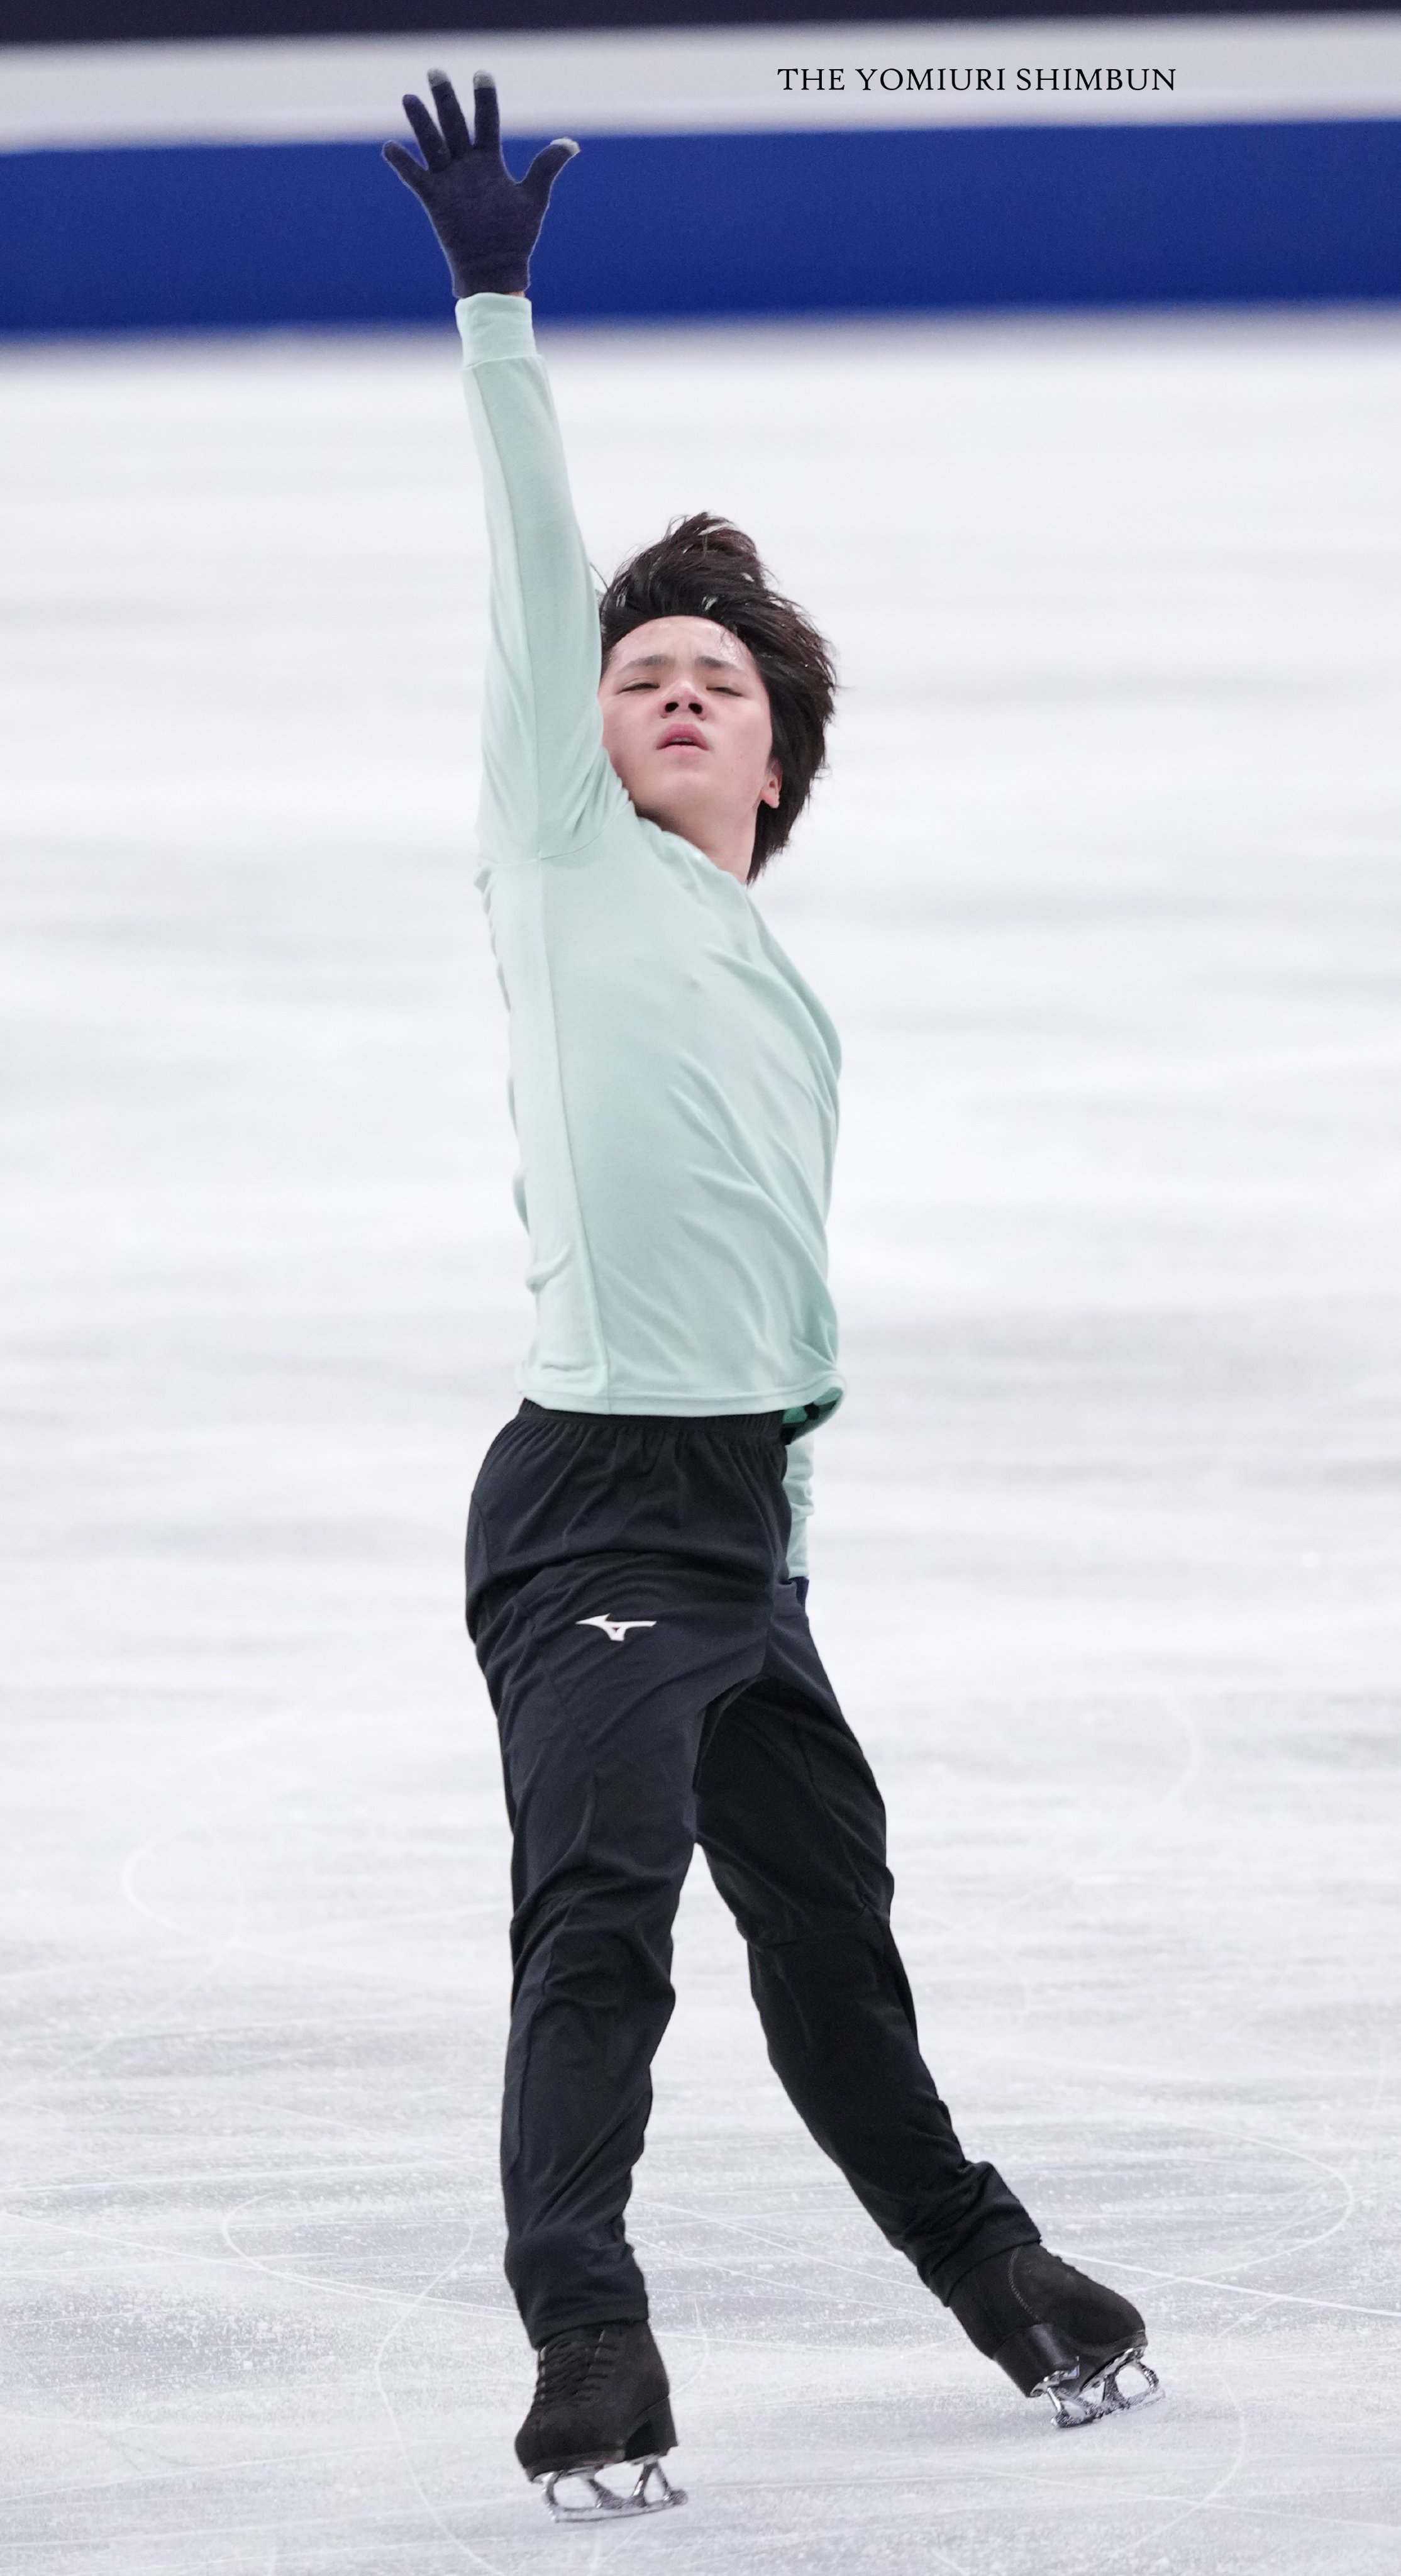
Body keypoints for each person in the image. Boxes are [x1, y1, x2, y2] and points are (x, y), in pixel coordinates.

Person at [384, 71, 1158, 2521]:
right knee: (601, 1920)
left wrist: (791, 1551)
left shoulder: (782, 998)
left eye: (714, 679)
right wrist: (495, 316)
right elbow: (531, 586)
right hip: (590, 1507)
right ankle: (586, 2338)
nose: (670, 691)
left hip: (742, 1525)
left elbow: (785, 1308)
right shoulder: (562, 859)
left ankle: (994, 2269)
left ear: (777, 767)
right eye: (637, 674)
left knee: (830, 1933)